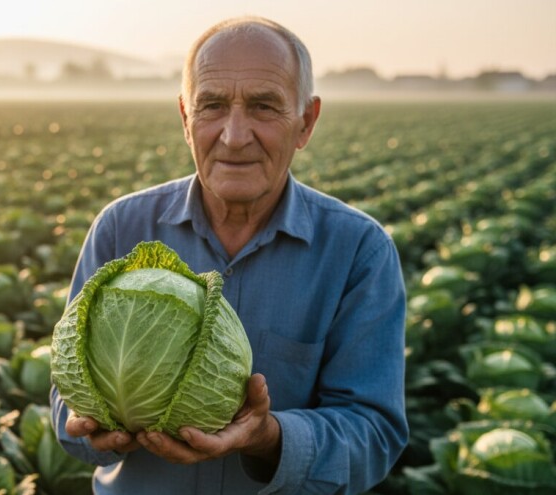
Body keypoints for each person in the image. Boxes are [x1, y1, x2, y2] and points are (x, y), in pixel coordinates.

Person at [50, 15, 408, 495]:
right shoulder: (121, 227)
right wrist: (97, 426)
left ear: (306, 122)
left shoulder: (359, 251)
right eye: (212, 106)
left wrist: (268, 439)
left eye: (264, 107)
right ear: (185, 118)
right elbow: (64, 402)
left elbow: (374, 435)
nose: (234, 135)